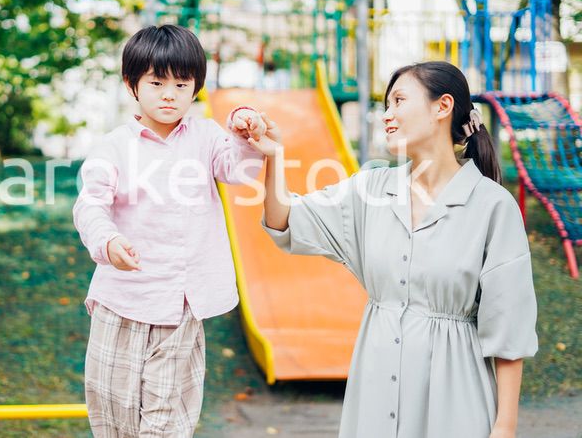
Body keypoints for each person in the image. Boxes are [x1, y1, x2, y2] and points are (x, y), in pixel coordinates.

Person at [250, 61, 538, 438]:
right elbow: (284, 219)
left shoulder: (492, 206)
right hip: (375, 392)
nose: (386, 115)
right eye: (385, 105)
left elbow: (508, 327)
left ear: (442, 106)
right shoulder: (369, 192)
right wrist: (274, 156)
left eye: (398, 101)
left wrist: (505, 425)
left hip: (456, 398)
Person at [73, 24, 267, 437]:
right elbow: (90, 205)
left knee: (166, 423)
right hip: (122, 301)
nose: (169, 94)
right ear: (132, 85)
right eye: (157, 82)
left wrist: (245, 132)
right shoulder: (113, 146)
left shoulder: (207, 136)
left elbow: (239, 169)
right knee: (114, 416)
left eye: (182, 84)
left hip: (182, 304)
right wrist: (107, 241)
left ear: (195, 87)